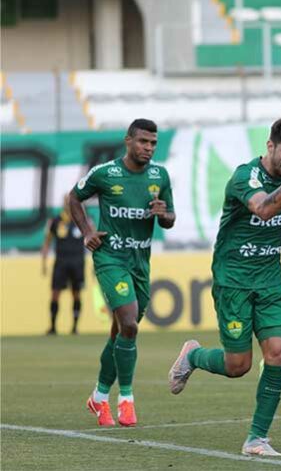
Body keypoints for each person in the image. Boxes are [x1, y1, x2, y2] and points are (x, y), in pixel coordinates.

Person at [168, 119, 281, 457]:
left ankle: (256, 439)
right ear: (269, 146)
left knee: (278, 352)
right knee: (238, 366)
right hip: (233, 279)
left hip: (268, 279)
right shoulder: (244, 177)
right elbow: (264, 209)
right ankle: (192, 355)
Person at [70, 118, 175, 427]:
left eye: (153, 143)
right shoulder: (106, 173)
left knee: (120, 333)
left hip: (140, 261)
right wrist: (88, 230)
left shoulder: (160, 175)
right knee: (129, 324)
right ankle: (126, 399)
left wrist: (163, 214)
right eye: (143, 141)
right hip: (111, 257)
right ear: (128, 141)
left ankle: (98, 397)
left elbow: (170, 218)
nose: (149, 148)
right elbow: (74, 197)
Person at [41, 194, 86, 335]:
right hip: (60, 262)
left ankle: (74, 327)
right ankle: (53, 327)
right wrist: (43, 262)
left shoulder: (82, 220)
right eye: (66, 201)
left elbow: (91, 239)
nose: (68, 203)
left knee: (76, 293)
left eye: (70, 201)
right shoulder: (55, 221)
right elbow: (47, 242)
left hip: (78, 261)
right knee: (55, 293)